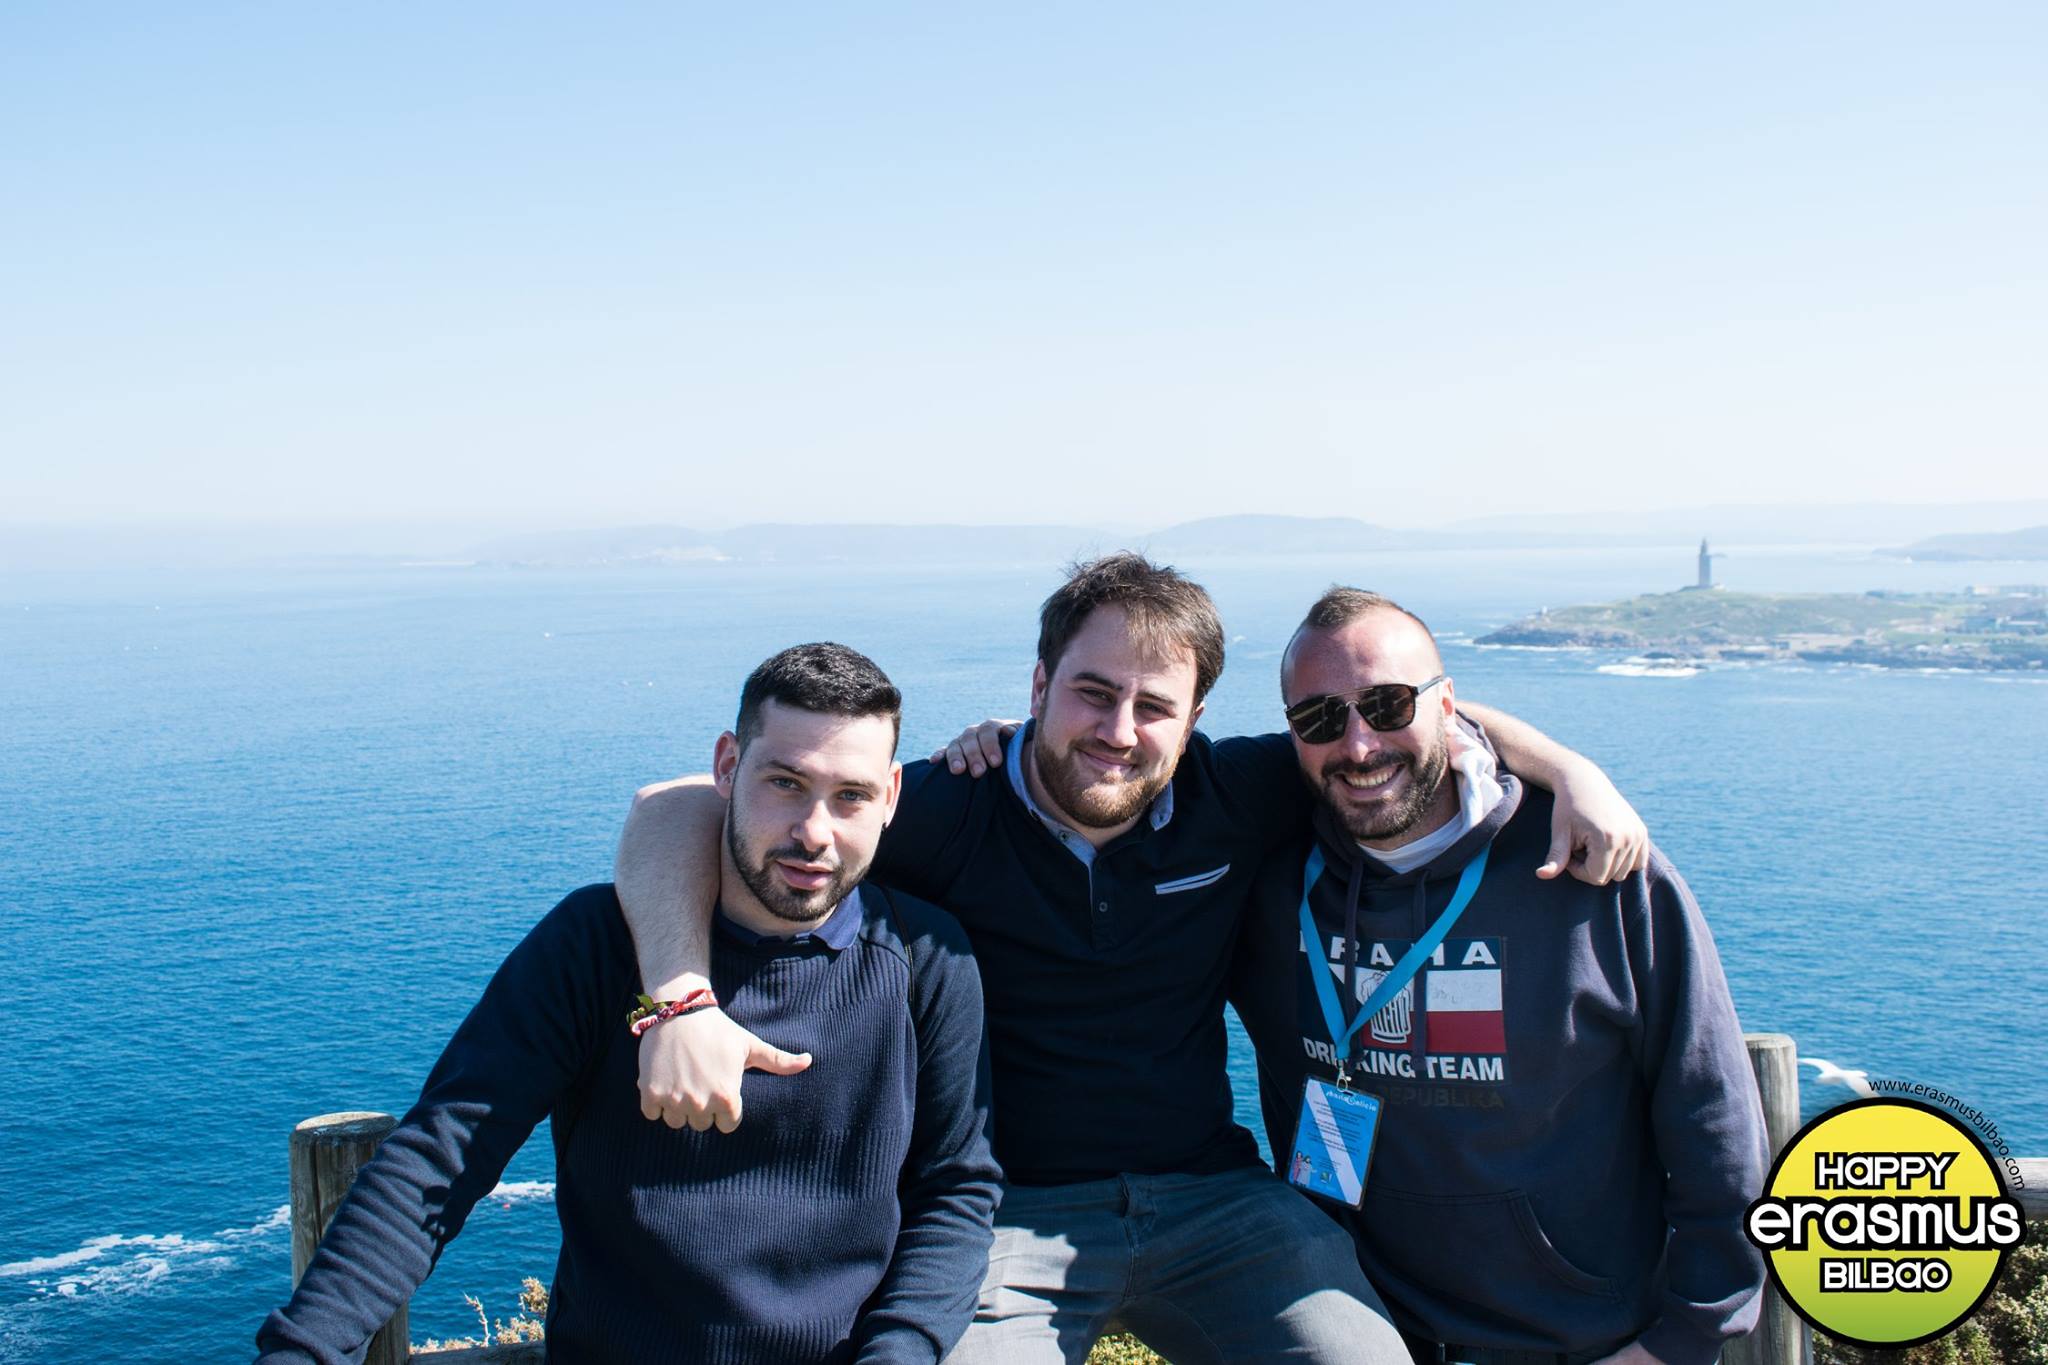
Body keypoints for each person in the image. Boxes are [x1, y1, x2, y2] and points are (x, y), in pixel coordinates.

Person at [616, 555, 1649, 1364]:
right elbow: (674, 807)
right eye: (1091, 693)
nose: (1118, 732)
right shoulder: (941, 808)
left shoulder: (1232, 794)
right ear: (1037, 685)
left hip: (1217, 1201)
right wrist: (679, 998)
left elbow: (1399, 718)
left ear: (1194, 721)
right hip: (1001, 1219)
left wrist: (1570, 770)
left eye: (1154, 707)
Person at [256, 644, 1000, 1365]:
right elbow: (442, 1155)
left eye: (850, 797)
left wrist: (899, 1352)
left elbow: (954, 1191)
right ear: (726, 766)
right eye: (784, 783)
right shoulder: (595, 946)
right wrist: (302, 1349)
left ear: (890, 796)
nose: (813, 832)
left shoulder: (925, 961)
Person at [1232, 588, 1768, 1365]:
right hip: (1359, 1335)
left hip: (1583, 1346)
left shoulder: (1591, 867)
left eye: (1388, 704)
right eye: (1319, 718)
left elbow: (1712, 1112)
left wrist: (1685, 1336)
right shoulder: (1267, 880)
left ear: (1448, 707)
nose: (1358, 744)